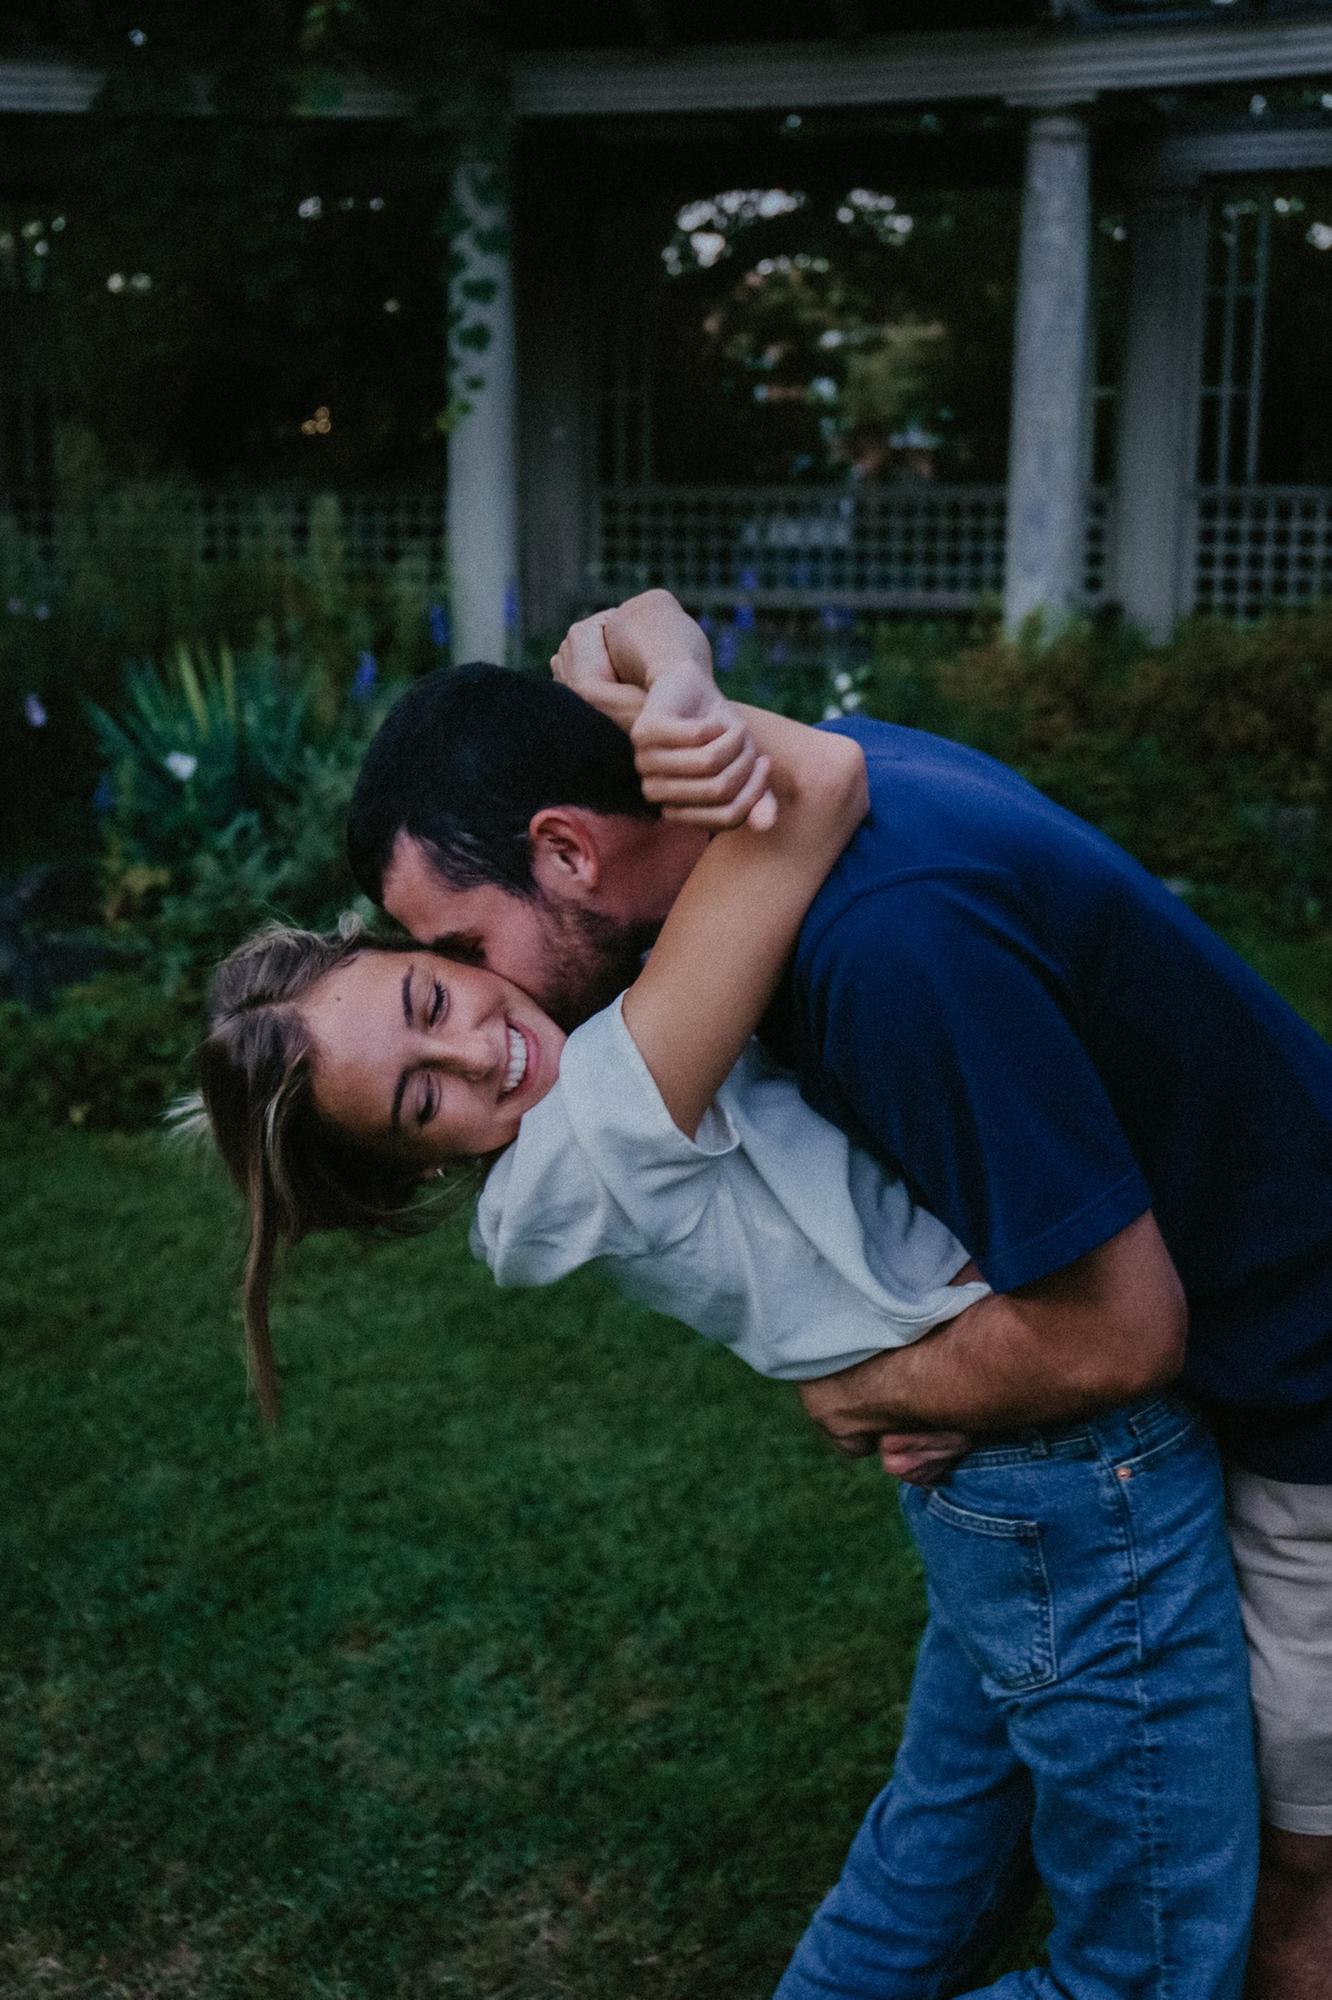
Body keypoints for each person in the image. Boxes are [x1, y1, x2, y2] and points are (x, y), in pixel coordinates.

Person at [200, 617, 1257, 2000]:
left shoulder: (603, 1045)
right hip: (1069, 1459)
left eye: (431, 990)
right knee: (1152, 1970)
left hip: (991, 1457)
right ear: (420, 1166)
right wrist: (642, 687)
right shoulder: (582, 1141)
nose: (474, 1051)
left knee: (931, 1855)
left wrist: (629, 662)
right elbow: (817, 788)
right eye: (421, 1101)